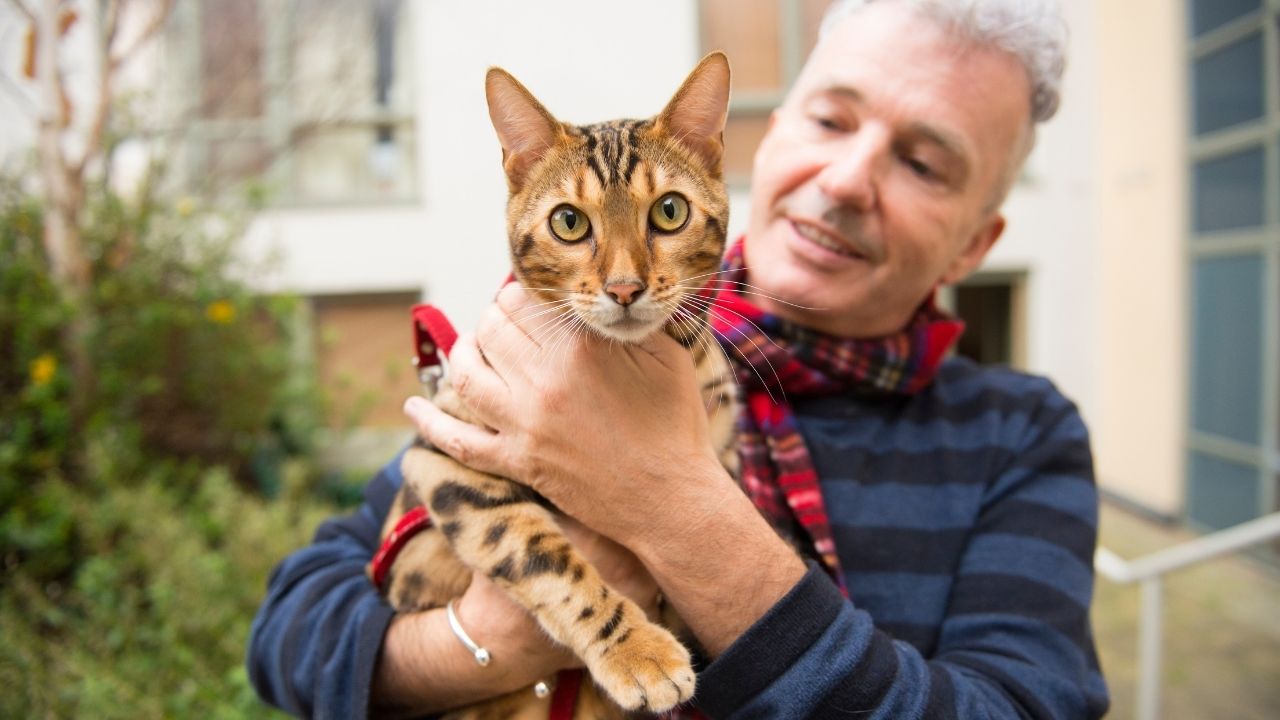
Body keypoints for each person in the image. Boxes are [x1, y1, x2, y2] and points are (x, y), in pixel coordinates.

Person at [247, 0, 1110, 717]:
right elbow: (290, 635)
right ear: (762, 141)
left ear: (976, 246)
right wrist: (491, 643)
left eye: (923, 163)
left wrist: (670, 503)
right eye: (830, 117)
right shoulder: (540, 353)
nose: (847, 179)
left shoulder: (1025, 438)